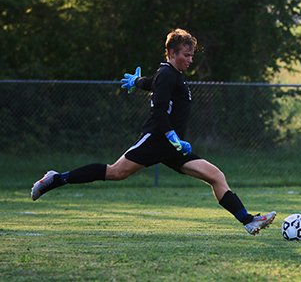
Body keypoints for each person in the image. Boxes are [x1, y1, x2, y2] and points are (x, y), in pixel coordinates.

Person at [31, 28, 276, 235]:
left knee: (215, 175)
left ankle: (248, 221)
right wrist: (172, 136)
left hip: (173, 145)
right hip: (158, 138)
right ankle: (56, 178)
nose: (190, 60)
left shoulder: (170, 73)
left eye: (192, 55)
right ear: (171, 53)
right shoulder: (168, 74)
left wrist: (137, 82)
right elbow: (159, 110)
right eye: (186, 55)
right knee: (116, 172)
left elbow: (152, 82)